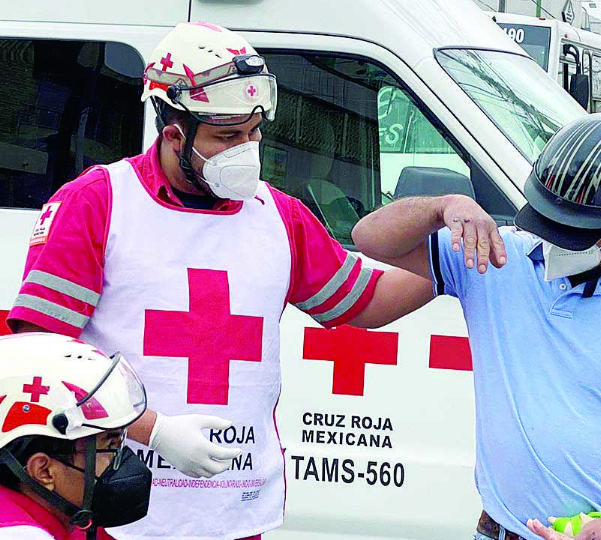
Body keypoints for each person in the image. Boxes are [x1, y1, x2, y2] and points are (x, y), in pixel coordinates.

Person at [5, 22, 433, 540]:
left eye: (254, 132)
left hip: (238, 510)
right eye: (228, 136)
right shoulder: (98, 202)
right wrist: (155, 432)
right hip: (122, 511)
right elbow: (39, 358)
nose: (246, 150)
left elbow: (365, 301)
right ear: (174, 134)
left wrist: (455, 264)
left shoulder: (279, 216)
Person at [353, 114, 601, 540]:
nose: (558, 239)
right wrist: (443, 207)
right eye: (550, 222)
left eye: (577, 232)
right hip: (498, 532)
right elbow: (370, 237)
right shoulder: (494, 258)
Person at [0, 333, 152, 540]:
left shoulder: (65, 518)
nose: (124, 460)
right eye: (110, 447)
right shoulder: (18, 534)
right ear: (44, 471)